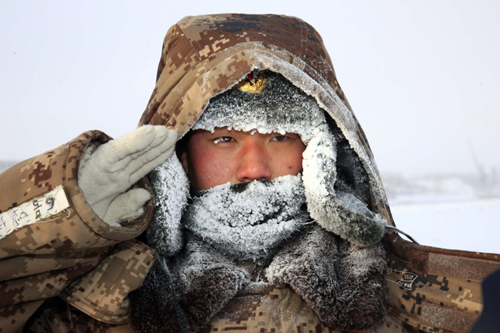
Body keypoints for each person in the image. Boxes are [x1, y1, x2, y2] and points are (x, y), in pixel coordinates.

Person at [0, 14, 498, 333]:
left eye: (281, 137)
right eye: (224, 139)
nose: (253, 169)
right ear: (178, 161)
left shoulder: (432, 302)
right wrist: (62, 211)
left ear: (323, 155)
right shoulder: (88, 304)